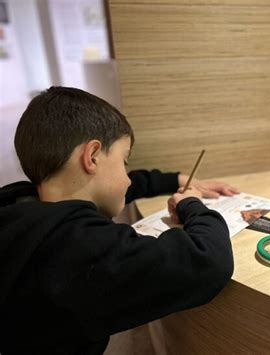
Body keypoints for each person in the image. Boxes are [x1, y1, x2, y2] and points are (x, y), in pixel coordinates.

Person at [0, 86, 239, 355]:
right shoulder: (81, 248)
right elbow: (208, 260)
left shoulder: (22, 206)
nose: (127, 177)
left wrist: (176, 180)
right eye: (124, 162)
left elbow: (116, 186)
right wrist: (191, 204)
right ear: (92, 156)